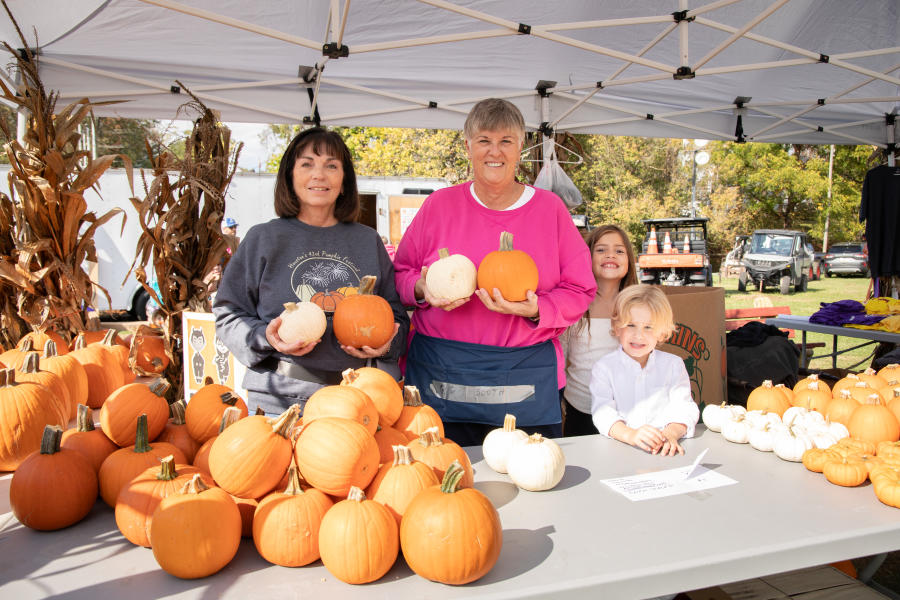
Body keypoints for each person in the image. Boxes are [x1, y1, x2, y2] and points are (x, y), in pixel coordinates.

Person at [394, 98, 596, 447]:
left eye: (506, 141)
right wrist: (423, 289)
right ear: (468, 146)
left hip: (524, 377)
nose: (495, 151)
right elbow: (400, 272)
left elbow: (580, 289)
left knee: (530, 473)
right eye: (484, 140)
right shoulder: (439, 206)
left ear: (521, 147)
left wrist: (537, 309)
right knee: (441, 475)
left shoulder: (549, 210)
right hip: (441, 375)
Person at [213, 127, 410, 415]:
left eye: (331, 166)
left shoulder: (368, 241)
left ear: (344, 180)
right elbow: (228, 313)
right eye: (307, 164)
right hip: (278, 401)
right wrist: (266, 336)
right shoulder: (263, 239)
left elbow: (397, 319)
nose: (319, 175)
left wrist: (387, 344)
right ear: (289, 176)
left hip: (357, 400)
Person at [589, 284, 699, 456]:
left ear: (662, 333)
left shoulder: (673, 365)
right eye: (631, 325)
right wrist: (630, 435)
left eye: (648, 327)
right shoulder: (604, 368)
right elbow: (603, 413)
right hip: (620, 452)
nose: (638, 335)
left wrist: (671, 434)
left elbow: (684, 407)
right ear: (617, 327)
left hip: (665, 451)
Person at [559, 224, 638, 437]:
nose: (610, 255)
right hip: (581, 407)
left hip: (628, 409)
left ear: (629, 260)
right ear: (587, 257)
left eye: (619, 251)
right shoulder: (575, 305)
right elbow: (561, 355)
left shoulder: (637, 306)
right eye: (601, 250)